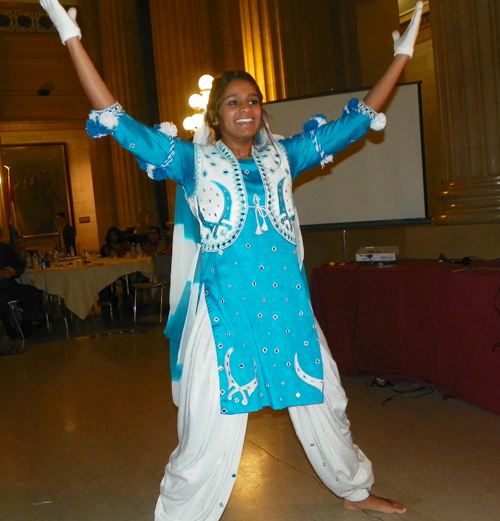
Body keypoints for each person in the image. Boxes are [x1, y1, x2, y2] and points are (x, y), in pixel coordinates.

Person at [40, 0, 423, 517]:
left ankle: (354, 489)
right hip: (225, 316)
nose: (246, 108)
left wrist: (401, 54)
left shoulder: (285, 156)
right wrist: (71, 37)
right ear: (215, 114)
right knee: (206, 428)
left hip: (290, 311)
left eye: (254, 100)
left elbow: (354, 124)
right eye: (233, 102)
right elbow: (118, 120)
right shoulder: (191, 161)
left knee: (326, 405)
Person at [0, 227, 45, 338]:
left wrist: (14, 272)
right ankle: (9, 328)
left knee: (33, 291)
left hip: (9, 285)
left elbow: (20, 264)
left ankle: (27, 323)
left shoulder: (7, 249)